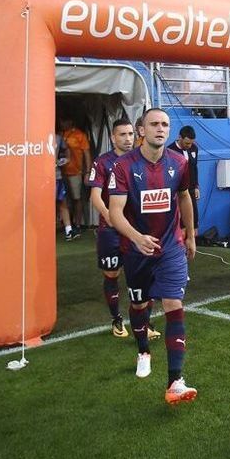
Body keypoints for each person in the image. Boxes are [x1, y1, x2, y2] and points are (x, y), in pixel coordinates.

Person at [106, 108, 197, 402]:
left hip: (170, 246)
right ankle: (143, 349)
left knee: (173, 301)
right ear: (141, 130)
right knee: (139, 303)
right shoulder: (123, 166)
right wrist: (136, 237)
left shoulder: (180, 162)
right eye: (154, 124)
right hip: (135, 250)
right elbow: (114, 213)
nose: (161, 129)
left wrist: (191, 235)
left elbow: (183, 197)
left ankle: (175, 382)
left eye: (165, 125)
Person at [89, 120, 135, 339]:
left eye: (131, 134)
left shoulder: (140, 160)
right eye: (123, 134)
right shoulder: (102, 162)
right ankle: (116, 319)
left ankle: (143, 321)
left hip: (135, 229)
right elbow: (95, 196)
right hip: (111, 230)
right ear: (113, 137)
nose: (128, 138)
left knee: (141, 275)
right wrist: (111, 217)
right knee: (112, 274)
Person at [59, 116, 91, 234]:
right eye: (61, 121)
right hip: (60, 173)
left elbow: (87, 154)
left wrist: (88, 172)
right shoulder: (59, 134)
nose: (62, 123)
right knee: (63, 200)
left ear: (70, 120)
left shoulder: (79, 135)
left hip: (75, 172)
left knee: (76, 198)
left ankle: (77, 223)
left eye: (64, 120)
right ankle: (67, 224)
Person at [167, 125, 201, 230]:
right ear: (179, 137)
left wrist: (196, 186)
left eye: (191, 143)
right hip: (177, 191)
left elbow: (194, 167)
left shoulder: (194, 148)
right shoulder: (169, 151)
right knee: (179, 218)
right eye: (187, 143)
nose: (189, 145)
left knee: (194, 217)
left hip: (190, 188)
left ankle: (192, 241)